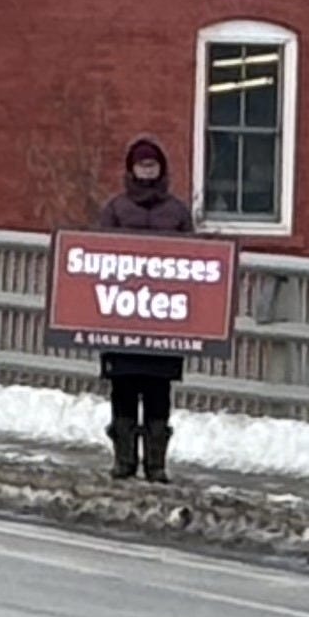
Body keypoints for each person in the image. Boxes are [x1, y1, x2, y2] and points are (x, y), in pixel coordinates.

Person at [94, 136, 196, 478]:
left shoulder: (177, 212)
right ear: (132, 169)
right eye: (142, 165)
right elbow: (100, 255)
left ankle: (156, 464)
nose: (147, 170)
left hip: (164, 319)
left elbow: (194, 259)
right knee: (123, 388)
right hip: (122, 316)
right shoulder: (115, 209)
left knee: (158, 391)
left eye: (152, 165)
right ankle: (124, 460)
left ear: (161, 169)